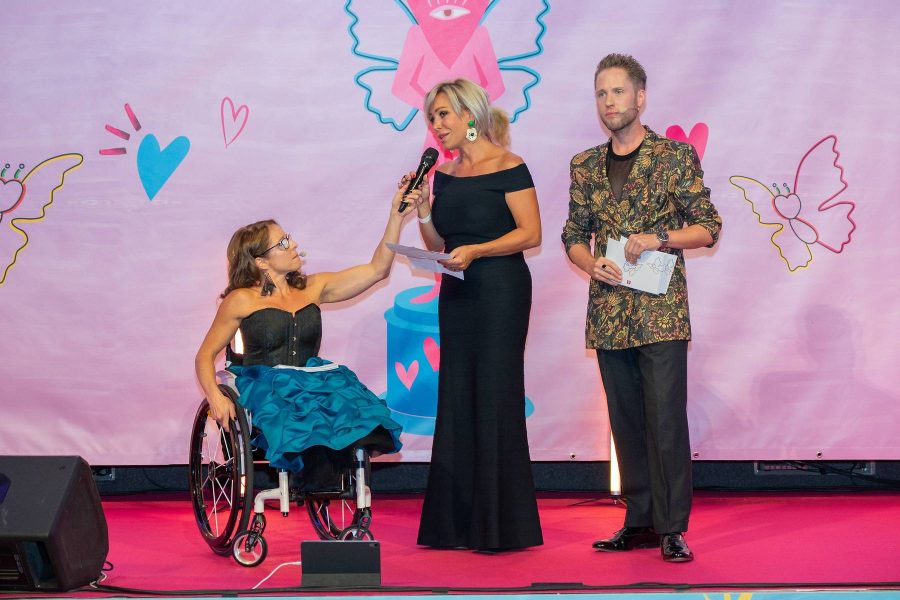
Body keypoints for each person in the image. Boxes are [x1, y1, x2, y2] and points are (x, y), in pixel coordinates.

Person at [562, 54, 722, 562]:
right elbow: (572, 236)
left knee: (666, 421)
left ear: (640, 97)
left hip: (660, 312)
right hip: (610, 313)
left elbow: (709, 226)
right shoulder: (584, 164)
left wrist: (659, 237)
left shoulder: (674, 157)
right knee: (625, 421)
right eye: (601, 94)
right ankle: (638, 521)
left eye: (618, 92)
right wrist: (590, 263)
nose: (610, 102)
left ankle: (672, 527)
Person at [194, 186, 421, 484]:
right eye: (283, 243)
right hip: (263, 384)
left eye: (288, 238)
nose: (293, 245)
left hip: (311, 379)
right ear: (261, 261)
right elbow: (205, 355)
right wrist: (215, 396)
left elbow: (377, 269)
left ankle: (330, 479)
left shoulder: (312, 287)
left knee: (353, 409)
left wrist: (396, 216)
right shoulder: (241, 300)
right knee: (297, 412)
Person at [409, 78, 543, 552]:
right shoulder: (443, 176)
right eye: (432, 117)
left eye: (444, 114)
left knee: (495, 393)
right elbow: (435, 246)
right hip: (457, 294)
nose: (437, 125)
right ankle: (456, 523)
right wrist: (424, 210)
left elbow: (531, 234)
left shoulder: (510, 166)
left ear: (470, 115)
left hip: (501, 292)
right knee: (458, 395)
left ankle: (500, 525)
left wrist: (479, 251)